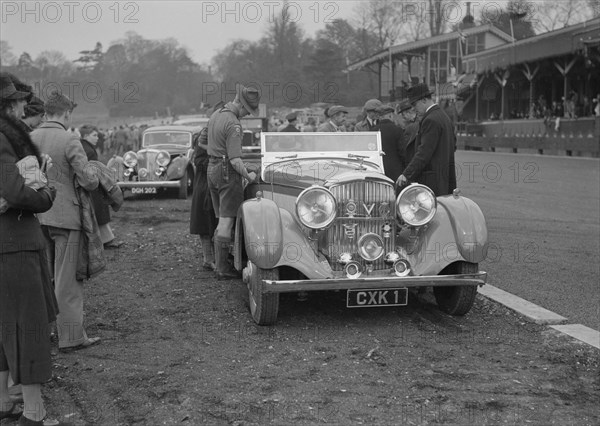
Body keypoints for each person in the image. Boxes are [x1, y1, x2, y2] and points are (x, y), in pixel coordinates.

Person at [0, 73, 67, 425]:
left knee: (5, 324)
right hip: (13, 244)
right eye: (19, 101)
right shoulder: (3, 137)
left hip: (10, 241)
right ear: (8, 106)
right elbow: (14, 192)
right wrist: (46, 193)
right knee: (28, 325)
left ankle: (4, 402)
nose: (25, 105)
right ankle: (33, 410)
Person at [31, 92, 102, 351]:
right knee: (67, 280)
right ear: (66, 113)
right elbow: (89, 180)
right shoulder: (70, 139)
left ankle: (45, 332)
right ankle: (71, 337)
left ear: (46, 112)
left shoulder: (30, 137)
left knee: (46, 277)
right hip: (66, 218)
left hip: (37, 216)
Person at [207, 85, 259, 280]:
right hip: (227, 171)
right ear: (241, 104)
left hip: (211, 169)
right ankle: (222, 268)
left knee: (221, 218)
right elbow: (235, 160)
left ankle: (219, 262)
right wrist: (249, 176)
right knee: (227, 221)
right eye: (247, 110)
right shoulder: (233, 123)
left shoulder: (216, 115)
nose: (246, 115)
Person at [396, 84, 456, 196]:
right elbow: (454, 146)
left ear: (424, 100)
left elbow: (424, 153)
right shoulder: (444, 116)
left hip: (432, 181)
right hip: (445, 176)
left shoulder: (430, 120)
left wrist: (406, 174)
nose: (413, 108)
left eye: (414, 104)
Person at [190, 102, 223, 272]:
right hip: (204, 185)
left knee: (215, 222)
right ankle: (208, 259)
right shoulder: (204, 136)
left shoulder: (218, 133)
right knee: (206, 224)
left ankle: (215, 258)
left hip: (215, 183)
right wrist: (217, 160)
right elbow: (198, 161)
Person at [79, 125, 122, 249]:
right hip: (92, 186)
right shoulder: (89, 151)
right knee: (100, 212)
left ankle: (106, 239)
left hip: (86, 185)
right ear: (86, 136)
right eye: (94, 135)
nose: (97, 138)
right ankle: (106, 240)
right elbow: (92, 170)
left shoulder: (83, 146)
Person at [376, 104, 406, 184]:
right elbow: (402, 152)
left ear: (379, 117)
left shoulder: (372, 131)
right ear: (390, 116)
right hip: (395, 171)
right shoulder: (397, 130)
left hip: (377, 170)